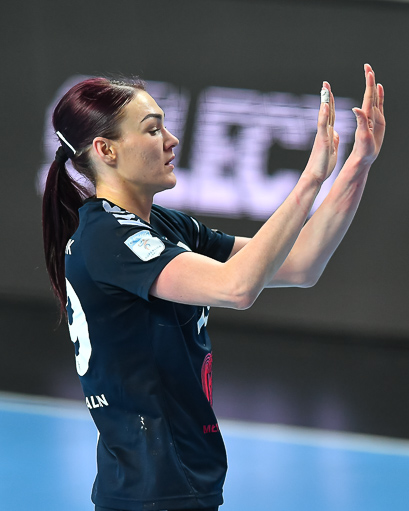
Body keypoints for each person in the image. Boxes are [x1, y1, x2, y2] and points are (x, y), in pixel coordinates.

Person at [41, 64, 384, 511]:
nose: (171, 140)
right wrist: (309, 181)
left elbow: (299, 264)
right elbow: (236, 287)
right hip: (153, 490)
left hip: (179, 479)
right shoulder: (108, 238)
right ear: (106, 150)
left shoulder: (163, 225)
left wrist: (357, 165)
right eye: (152, 130)